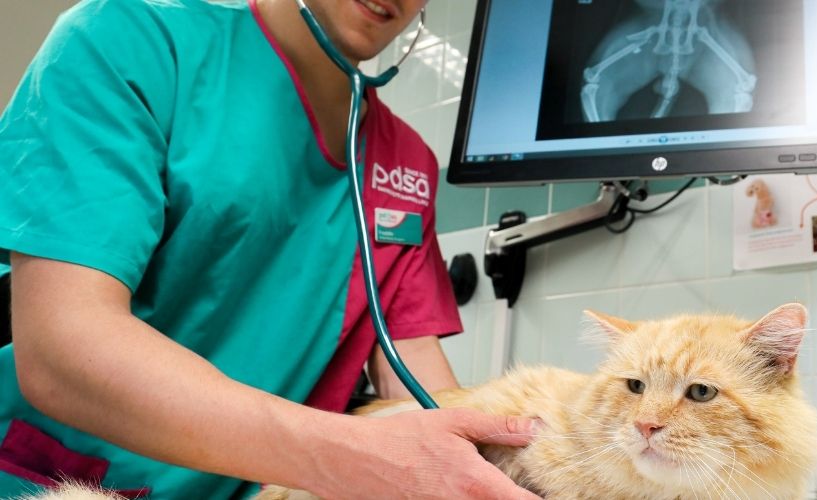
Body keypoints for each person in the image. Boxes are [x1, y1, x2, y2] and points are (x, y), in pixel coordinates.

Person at [0, 0, 540, 498]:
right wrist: (351, 456)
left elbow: (414, 373)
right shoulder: (128, 41)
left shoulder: (406, 164)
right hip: (58, 479)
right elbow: (61, 349)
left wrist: (489, 461)